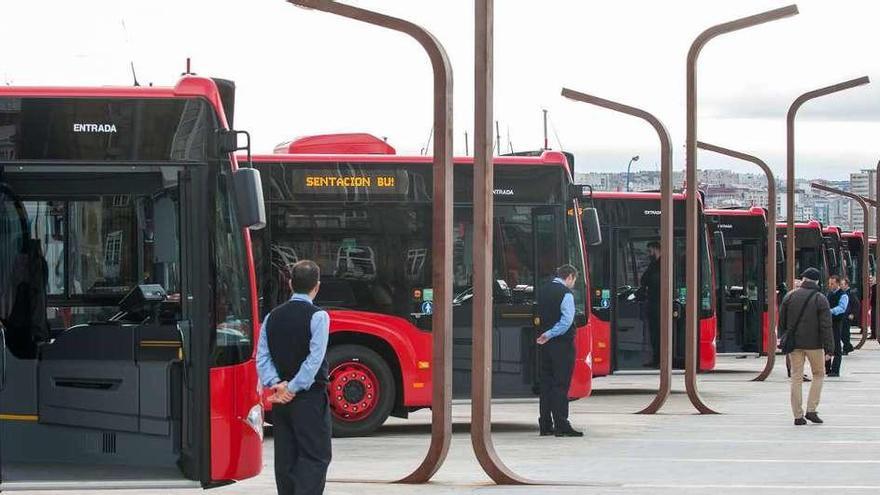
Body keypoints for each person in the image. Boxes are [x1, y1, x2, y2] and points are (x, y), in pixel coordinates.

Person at [256, 260, 332, 495]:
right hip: (309, 398)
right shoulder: (319, 317)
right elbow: (314, 359)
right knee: (315, 455)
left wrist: (276, 385)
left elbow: (262, 357)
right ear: (317, 286)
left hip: (280, 401)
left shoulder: (271, 317)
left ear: (290, 284)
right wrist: (294, 387)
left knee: (285, 458)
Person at [778, 267, 834, 426]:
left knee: (796, 377)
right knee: (818, 374)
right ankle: (811, 409)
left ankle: (797, 415)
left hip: (794, 345)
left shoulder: (790, 296)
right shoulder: (820, 298)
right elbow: (826, 326)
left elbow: (782, 322)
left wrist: (784, 338)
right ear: (816, 281)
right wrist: (830, 349)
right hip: (814, 345)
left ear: (803, 279)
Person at [536, 264, 583, 437]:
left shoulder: (543, 290)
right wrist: (550, 334)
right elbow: (566, 321)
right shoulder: (566, 294)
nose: (573, 284)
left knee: (546, 384)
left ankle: (545, 424)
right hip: (561, 345)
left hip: (544, 345)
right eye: (574, 280)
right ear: (569, 276)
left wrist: (544, 335)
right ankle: (561, 424)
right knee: (561, 385)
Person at [638, 241, 662, 367]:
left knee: (659, 332)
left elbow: (652, 280)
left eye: (650, 251)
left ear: (656, 249)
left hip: (660, 303)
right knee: (653, 333)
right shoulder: (653, 264)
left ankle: (661, 359)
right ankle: (656, 358)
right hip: (652, 302)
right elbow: (644, 279)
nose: (649, 254)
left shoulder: (663, 263)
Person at [825, 275, 848, 377]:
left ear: (838, 283)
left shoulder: (843, 295)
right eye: (829, 283)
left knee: (837, 347)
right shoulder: (828, 294)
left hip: (837, 323)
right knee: (827, 345)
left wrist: (830, 311)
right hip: (827, 322)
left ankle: (835, 370)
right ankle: (827, 368)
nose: (830, 285)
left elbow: (842, 308)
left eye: (832, 283)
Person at [841, 278, 857, 355]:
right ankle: (848, 347)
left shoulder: (850, 293)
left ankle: (846, 349)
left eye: (842, 284)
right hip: (843, 316)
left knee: (845, 333)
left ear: (846, 285)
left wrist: (852, 314)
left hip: (847, 316)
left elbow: (856, 304)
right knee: (842, 333)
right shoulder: (843, 293)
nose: (841, 286)